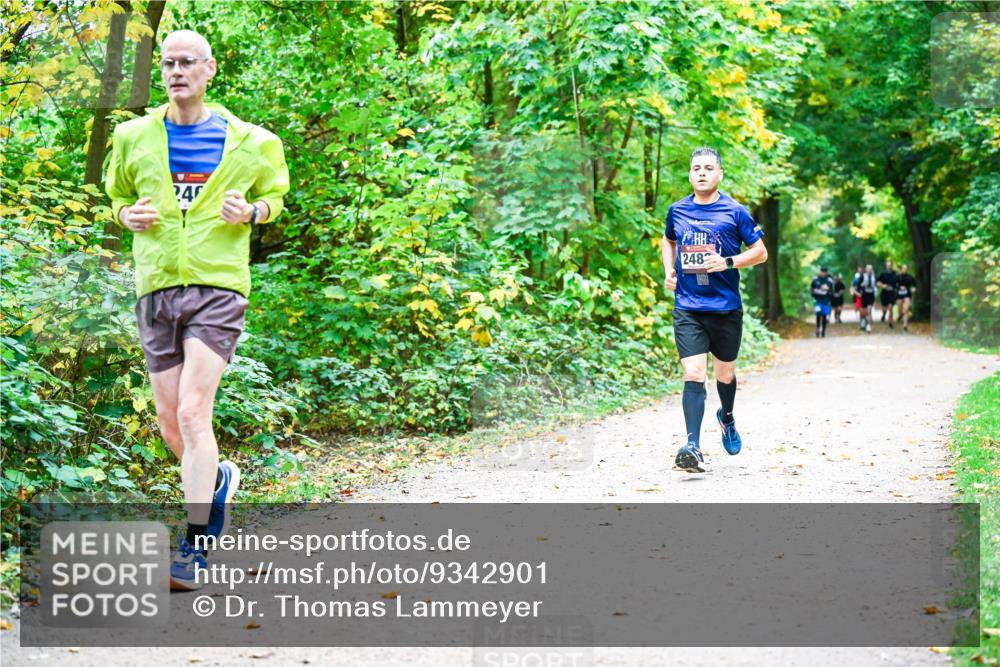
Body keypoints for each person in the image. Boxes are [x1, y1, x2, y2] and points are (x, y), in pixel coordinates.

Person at [105, 30, 290, 590]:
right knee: (169, 423)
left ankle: (194, 546)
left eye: (188, 63)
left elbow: (275, 199)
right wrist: (124, 217)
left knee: (192, 412)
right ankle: (218, 482)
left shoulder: (253, 142)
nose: (177, 71)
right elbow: (115, 196)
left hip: (217, 287)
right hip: (155, 285)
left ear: (210, 69)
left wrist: (252, 211)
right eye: (168, 63)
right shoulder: (132, 136)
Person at [662, 148, 768, 473]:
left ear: (720, 174)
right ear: (690, 175)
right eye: (696, 168)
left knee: (725, 374)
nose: (702, 173)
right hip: (689, 308)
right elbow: (668, 240)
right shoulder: (677, 210)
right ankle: (693, 447)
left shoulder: (735, 212)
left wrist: (728, 262)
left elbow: (761, 252)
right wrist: (669, 270)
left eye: (709, 168)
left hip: (725, 309)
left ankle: (727, 416)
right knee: (694, 373)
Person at [810, 267, 835, 338]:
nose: (823, 273)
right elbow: (812, 289)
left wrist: (828, 291)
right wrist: (815, 293)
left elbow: (833, 291)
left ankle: (823, 331)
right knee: (818, 314)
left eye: (824, 272)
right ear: (820, 272)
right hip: (818, 301)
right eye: (822, 272)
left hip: (826, 301)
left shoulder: (829, 281)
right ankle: (818, 328)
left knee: (824, 316)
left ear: (826, 272)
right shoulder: (815, 280)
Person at [877, 259, 898, 328]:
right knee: (884, 308)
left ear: (892, 265)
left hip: (892, 293)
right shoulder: (883, 274)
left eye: (890, 265)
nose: (889, 266)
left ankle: (890, 322)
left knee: (891, 307)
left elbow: (898, 282)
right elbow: (878, 283)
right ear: (886, 266)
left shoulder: (895, 273)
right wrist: (883, 285)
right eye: (888, 265)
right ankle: (884, 314)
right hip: (884, 293)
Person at [856, 264, 877, 332]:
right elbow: (858, 286)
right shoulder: (862, 276)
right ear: (866, 270)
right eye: (868, 269)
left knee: (869, 309)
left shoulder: (874, 276)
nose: (869, 270)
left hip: (871, 294)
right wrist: (861, 286)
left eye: (871, 269)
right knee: (864, 311)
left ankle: (868, 325)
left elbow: (876, 285)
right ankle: (863, 321)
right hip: (864, 294)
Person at [896, 264, 917, 332]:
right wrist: (899, 287)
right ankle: (900, 314)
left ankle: (905, 325)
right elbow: (894, 285)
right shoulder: (898, 277)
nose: (905, 270)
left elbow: (914, 284)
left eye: (906, 269)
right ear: (901, 269)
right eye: (903, 268)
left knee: (906, 309)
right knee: (900, 309)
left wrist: (914, 288)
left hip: (907, 294)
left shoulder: (910, 277)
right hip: (899, 295)